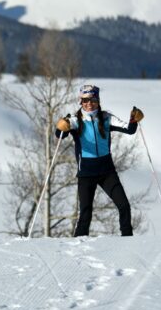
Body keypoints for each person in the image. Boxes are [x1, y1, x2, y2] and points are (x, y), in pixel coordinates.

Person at [55, 84, 144, 237]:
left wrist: (134, 119)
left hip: (107, 172)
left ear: (98, 101)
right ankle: (78, 245)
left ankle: (128, 241)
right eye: (85, 100)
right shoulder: (75, 121)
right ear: (80, 101)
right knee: (86, 213)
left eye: (93, 100)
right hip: (86, 174)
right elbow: (61, 136)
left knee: (124, 206)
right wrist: (61, 127)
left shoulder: (106, 118)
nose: (89, 104)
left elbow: (129, 129)